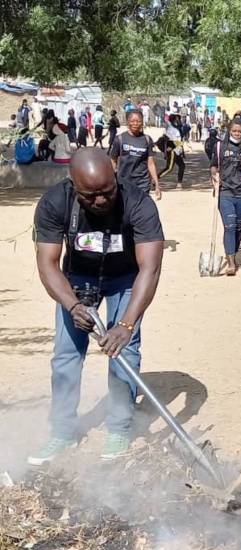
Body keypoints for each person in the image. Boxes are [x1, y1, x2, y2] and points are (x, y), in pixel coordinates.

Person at [28, 148, 164, 465]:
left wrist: (127, 324)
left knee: (124, 352)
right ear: (74, 185)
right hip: (77, 280)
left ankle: (119, 427)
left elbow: (150, 268)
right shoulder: (54, 202)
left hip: (125, 279)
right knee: (66, 356)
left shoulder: (139, 203)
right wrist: (72, 305)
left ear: (115, 178)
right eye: (90, 196)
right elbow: (48, 264)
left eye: (107, 192)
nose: (100, 201)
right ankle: (61, 433)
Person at [211, 119, 241, 276]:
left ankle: (233, 254)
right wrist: (214, 176)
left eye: (240, 132)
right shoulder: (220, 147)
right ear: (229, 131)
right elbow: (214, 166)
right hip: (225, 192)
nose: (237, 134)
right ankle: (231, 263)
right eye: (235, 131)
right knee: (229, 226)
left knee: (237, 227)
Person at [109, 109, 161, 200]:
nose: (136, 124)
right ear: (127, 122)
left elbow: (151, 163)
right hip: (123, 182)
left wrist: (157, 185)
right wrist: (110, 181)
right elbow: (113, 161)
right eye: (132, 121)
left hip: (142, 183)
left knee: (141, 210)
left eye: (139, 121)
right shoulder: (119, 139)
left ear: (142, 122)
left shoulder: (147, 140)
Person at [158, 114, 185, 188]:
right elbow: (166, 140)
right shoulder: (171, 129)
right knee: (169, 168)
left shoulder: (177, 128)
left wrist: (181, 151)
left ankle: (179, 183)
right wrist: (166, 152)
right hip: (172, 150)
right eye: (178, 119)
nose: (179, 120)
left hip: (176, 149)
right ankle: (156, 179)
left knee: (182, 165)